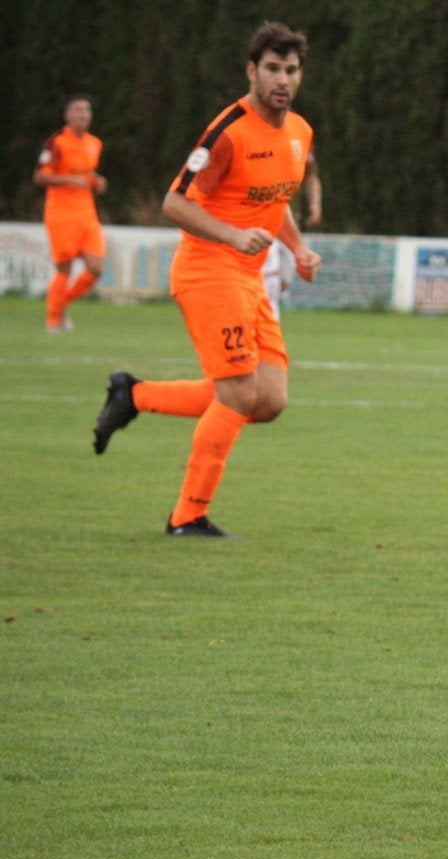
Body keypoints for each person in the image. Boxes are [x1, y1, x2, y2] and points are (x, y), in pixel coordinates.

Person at [90, 22, 320, 537]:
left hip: (249, 275)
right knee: (239, 395)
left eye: (291, 70)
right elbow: (176, 203)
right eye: (272, 69)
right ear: (251, 71)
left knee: (269, 400)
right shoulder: (228, 133)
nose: (282, 80)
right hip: (209, 270)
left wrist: (298, 247)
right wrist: (233, 236)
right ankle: (187, 515)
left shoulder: (300, 132)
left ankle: (134, 395)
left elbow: (274, 200)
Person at [33, 94, 106, 333]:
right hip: (61, 214)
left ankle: (60, 304)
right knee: (64, 269)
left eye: (86, 110)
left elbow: (86, 175)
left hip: (87, 214)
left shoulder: (95, 143)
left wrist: (95, 181)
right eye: (77, 110)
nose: (83, 114)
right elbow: (40, 176)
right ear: (67, 115)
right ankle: (54, 320)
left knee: (95, 268)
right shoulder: (56, 143)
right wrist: (68, 179)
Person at [262, 151, 321, 314]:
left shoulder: (300, 136)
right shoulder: (253, 142)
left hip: (288, 223)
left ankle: (267, 321)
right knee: (269, 281)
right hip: (262, 224)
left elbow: (311, 175)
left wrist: (315, 204)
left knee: (283, 284)